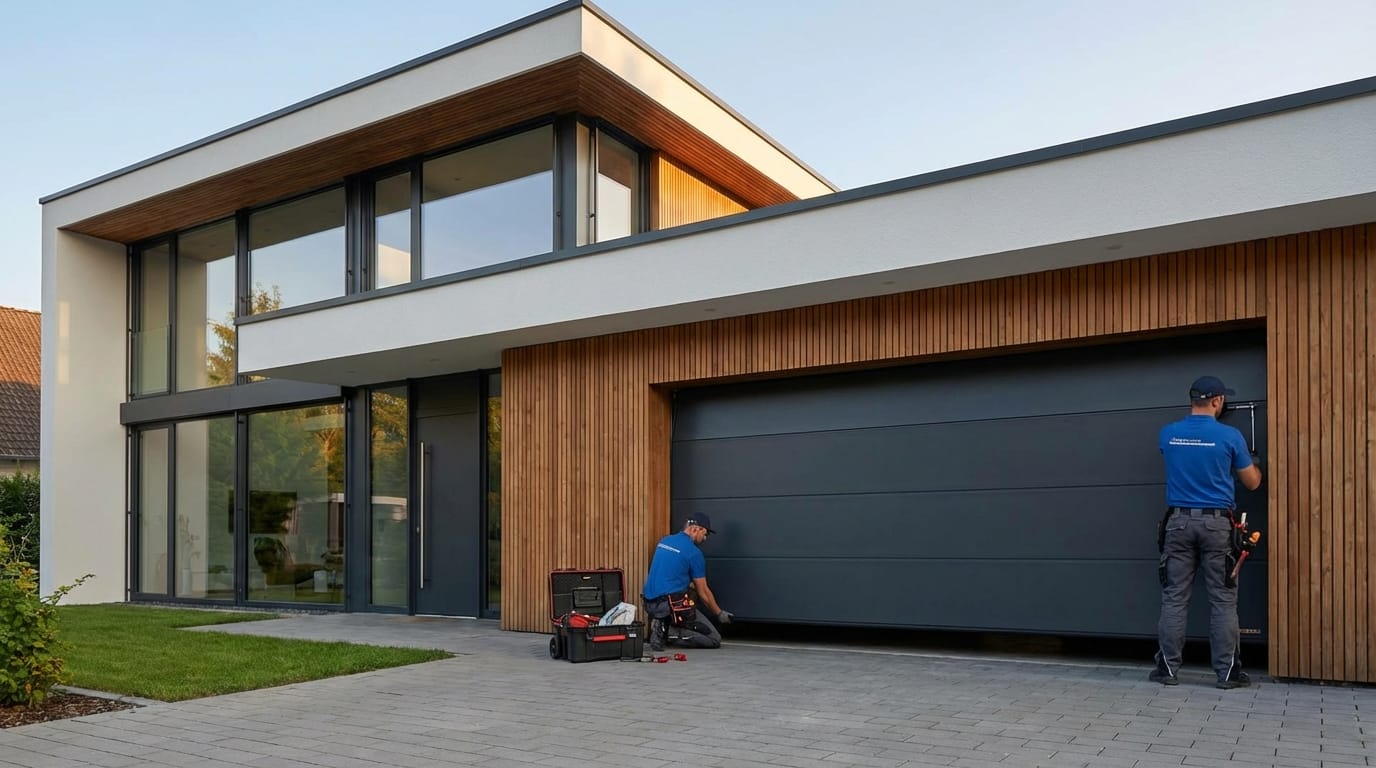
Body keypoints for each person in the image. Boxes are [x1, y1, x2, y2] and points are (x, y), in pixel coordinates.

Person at [1150, 375, 1263, 689]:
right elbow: (1252, 482)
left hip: (1178, 523)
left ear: (1192, 400)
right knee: (1223, 602)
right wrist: (1254, 464)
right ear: (1218, 401)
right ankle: (1226, 674)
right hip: (1217, 525)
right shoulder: (1230, 436)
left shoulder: (1168, 433)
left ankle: (1168, 671)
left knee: (1174, 599)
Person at [642, 514, 734, 651]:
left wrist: (692, 585)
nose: (705, 538)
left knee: (690, 594)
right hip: (670, 605)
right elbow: (704, 594)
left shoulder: (665, 541)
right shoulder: (694, 553)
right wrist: (719, 613)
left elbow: (671, 575)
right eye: (705, 533)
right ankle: (666, 633)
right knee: (714, 639)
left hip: (649, 603)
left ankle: (662, 625)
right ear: (695, 529)